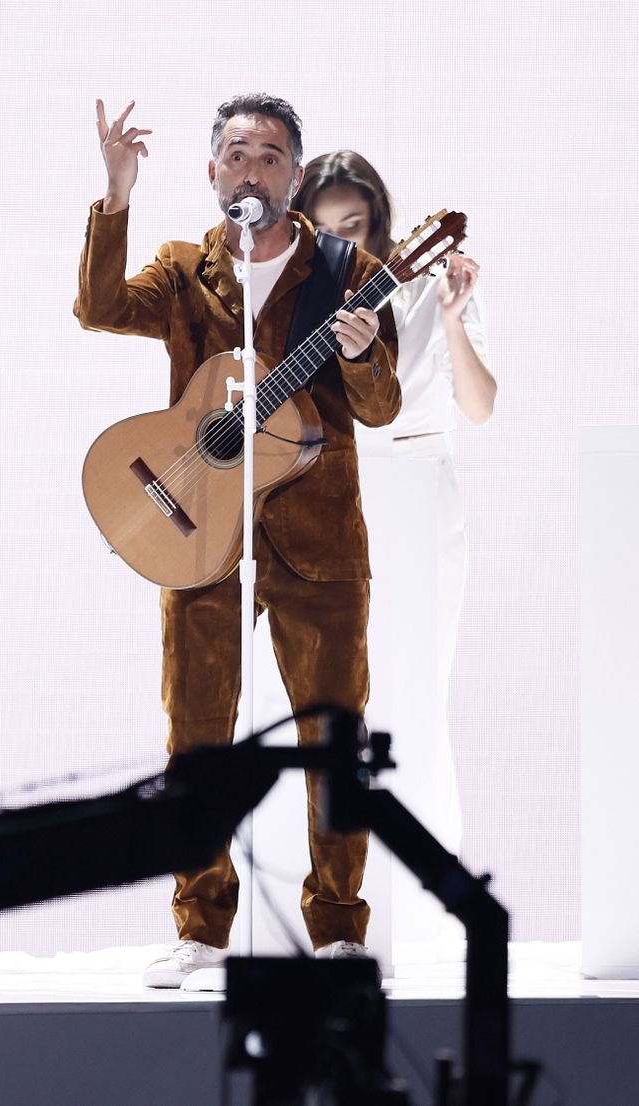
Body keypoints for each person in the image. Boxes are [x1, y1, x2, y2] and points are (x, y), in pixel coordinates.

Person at [75, 95, 402, 988]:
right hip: (200, 532)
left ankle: (337, 927)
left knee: (333, 737)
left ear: (294, 175)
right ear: (212, 171)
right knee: (198, 737)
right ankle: (200, 927)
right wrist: (114, 193)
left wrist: (366, 352)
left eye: (269, 155)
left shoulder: (350, 269)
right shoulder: (188, 271)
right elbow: (98, 308)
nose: (250, 169)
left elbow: (379, 408)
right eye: (235, 153)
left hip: (320, 537)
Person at [297, 151, 494, 928]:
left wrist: (450, 317)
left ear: (382, 222)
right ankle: (327, 894)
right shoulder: (297, 293)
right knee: (322, 706)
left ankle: (422, 903)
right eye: (325, 226)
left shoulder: (425, 284)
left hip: (416, 487)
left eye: (357, 224)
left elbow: (479, 406)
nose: (343, 238)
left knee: (416, 691)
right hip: (323, 493)